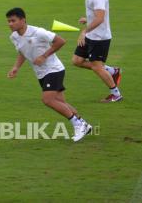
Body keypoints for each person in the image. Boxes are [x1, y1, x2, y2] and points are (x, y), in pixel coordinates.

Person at [6, 8, 92, 142]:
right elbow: (22, 52)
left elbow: (60, 41)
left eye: (13, 20)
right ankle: (83, 123)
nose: (10, 24)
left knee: (47, 99)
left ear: (23, 20)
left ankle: (78, 125)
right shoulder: (14, 37)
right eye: (8, 21)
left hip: (53, 69)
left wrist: (44, 56)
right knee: (61, 102)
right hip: (41, 74)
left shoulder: (38, 32)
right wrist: (16, 67)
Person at [72, 0, 122, 103]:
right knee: (77, 61)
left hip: (99, 38)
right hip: (91, 36)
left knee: (96, 67)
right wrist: (87, 19)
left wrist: (84, 31)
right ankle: (112, 71)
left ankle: (116, 94)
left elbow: (100, 18)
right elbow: (102, 12)